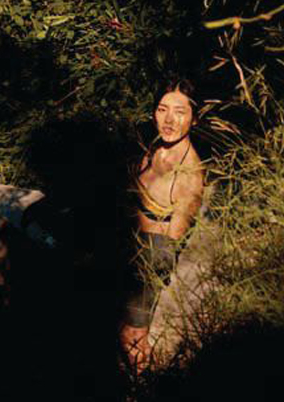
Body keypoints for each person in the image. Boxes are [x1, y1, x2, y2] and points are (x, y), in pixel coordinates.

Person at [119, 78, 205, 373]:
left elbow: (169, 247)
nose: (169, 120)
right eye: (162, 109)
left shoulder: (189, 175)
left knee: (131, 336)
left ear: (194, 118)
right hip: (127, 246)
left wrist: (141, 280)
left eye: (180, 112)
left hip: (147, 260)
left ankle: (144, 387)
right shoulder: (156, 147)